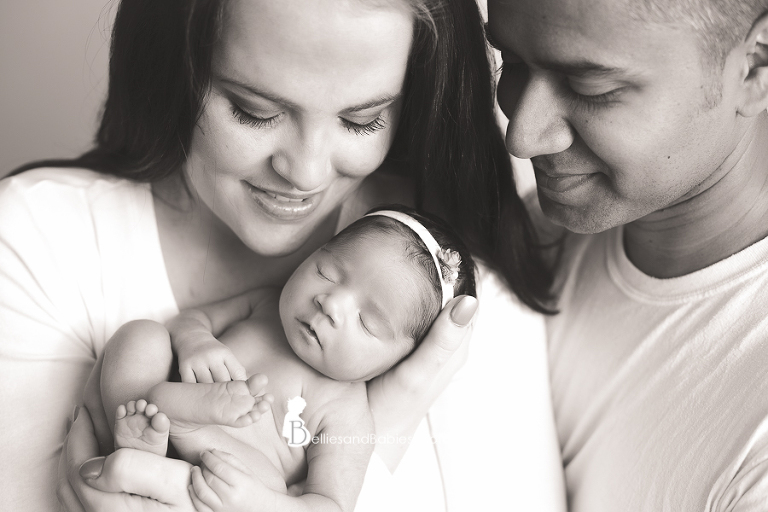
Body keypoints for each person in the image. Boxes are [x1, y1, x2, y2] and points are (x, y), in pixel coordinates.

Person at [0, 0, 566, 511]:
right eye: (253, 110)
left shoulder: (453, 285)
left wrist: (387, 420)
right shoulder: (41, 236)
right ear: (175, 69)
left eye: (362, 119)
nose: (307, 173)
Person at [487, 0, 768, 509]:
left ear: (756, 67)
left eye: (591, 88)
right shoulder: (525, 237)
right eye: (510, 62)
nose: (522, 137)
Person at [99, 207, 477, 512]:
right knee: (142, 335)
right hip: (147, 407)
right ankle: (141, 430)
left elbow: (329, 504)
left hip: (214, 476)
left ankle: (176, 426)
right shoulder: (265, 305)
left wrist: (258, 502)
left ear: (396, 361)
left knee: (271, 482)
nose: (330, 303)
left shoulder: (347, 413)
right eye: (326, 272)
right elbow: (188, 320)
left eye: (367, 321)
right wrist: (196, 340)